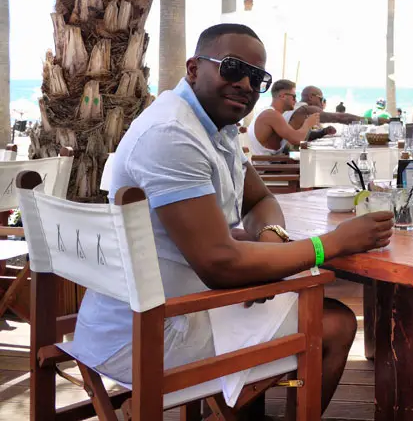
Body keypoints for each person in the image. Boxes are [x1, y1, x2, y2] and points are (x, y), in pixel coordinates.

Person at [68, 24, 393, 414]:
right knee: (336, 323)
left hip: (150, 309)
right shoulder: (173, 133)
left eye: (256, 77)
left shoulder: (212, 126)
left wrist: (271, 237)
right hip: (148, 333)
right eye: (232, 68)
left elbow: (260, 200)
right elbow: (220, 265)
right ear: (193, 68)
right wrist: (333, 244)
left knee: (276, 292)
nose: (244, 83)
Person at [249, 79, 327, 155]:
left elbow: (291, 139)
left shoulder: (267, 112)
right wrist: (308, 123)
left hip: (269, 163)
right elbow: (297, 139)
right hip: (269, 166)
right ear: (282, 96)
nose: (296, 101)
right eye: (294, 96)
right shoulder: (271, 115)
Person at [289, 86, 377, 130]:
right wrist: (372, 121)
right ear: (311, 97)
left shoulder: (296, 107)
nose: (321, 102)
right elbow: (343, 118)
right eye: (321, 99)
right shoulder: (307, 109)